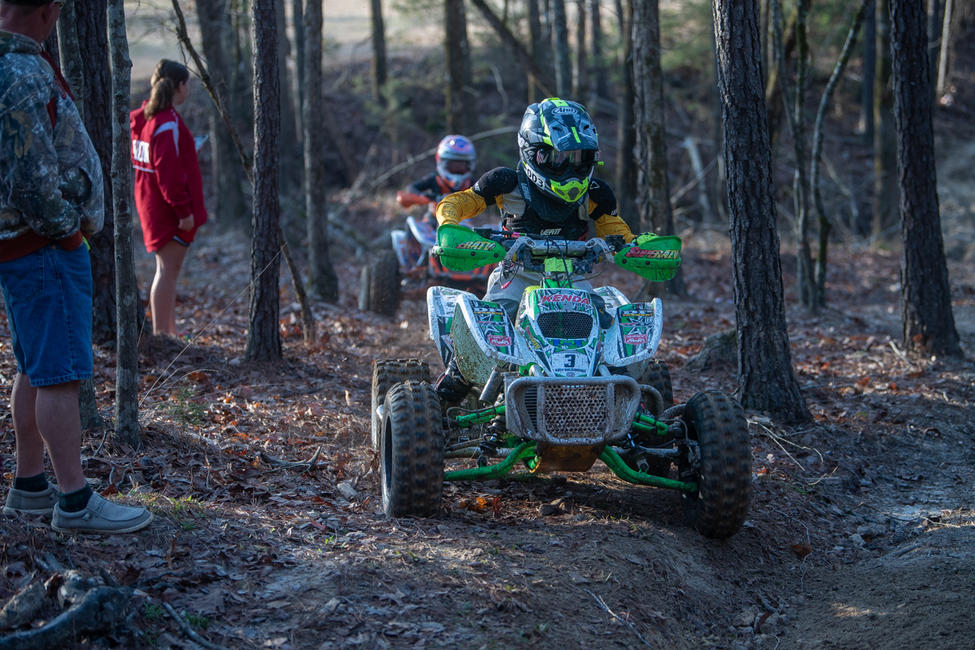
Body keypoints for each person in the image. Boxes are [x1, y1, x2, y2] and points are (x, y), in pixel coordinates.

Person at [0, 0, 152, 533]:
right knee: (60, 377)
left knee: (35, 370)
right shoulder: (16, 72)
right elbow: (30, 178)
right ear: (46, 11)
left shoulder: (18, 62)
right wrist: (67, 233)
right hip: (41, 249)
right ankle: (74, 500)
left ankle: (30, 485)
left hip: (29, 250)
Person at [433, 97, 637, 402]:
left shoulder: (595, 193)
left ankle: (623, 398)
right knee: (491, 321)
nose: (569, 167)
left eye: (579, 157)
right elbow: (458, 202)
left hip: (572, 276)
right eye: (558, 158)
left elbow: (617, 231)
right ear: (533, 153)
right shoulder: (505, 182)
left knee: (606, 329)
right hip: (515, 274)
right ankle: (450, 391)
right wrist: (450, 225)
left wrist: (635, 248)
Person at [130, 59, 207, 337]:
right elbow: (167, 174)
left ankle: (168, 332)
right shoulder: (165, 124)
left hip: (150, 204)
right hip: (167, 211)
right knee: (167, 271)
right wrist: (183, 211)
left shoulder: (143, 117)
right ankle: (163, 334)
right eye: (188, 85)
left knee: (166, 271)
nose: (189, 90)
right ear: (180, 86)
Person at [396, 134, 476, 225]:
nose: (457, 168)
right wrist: (428, 197)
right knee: (413, 226)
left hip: (463, 223)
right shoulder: (435, 179)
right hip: (433, 221)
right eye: (452, 165)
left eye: (462, 165)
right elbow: (410, 189)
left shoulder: (472, 183)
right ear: (441, 161)